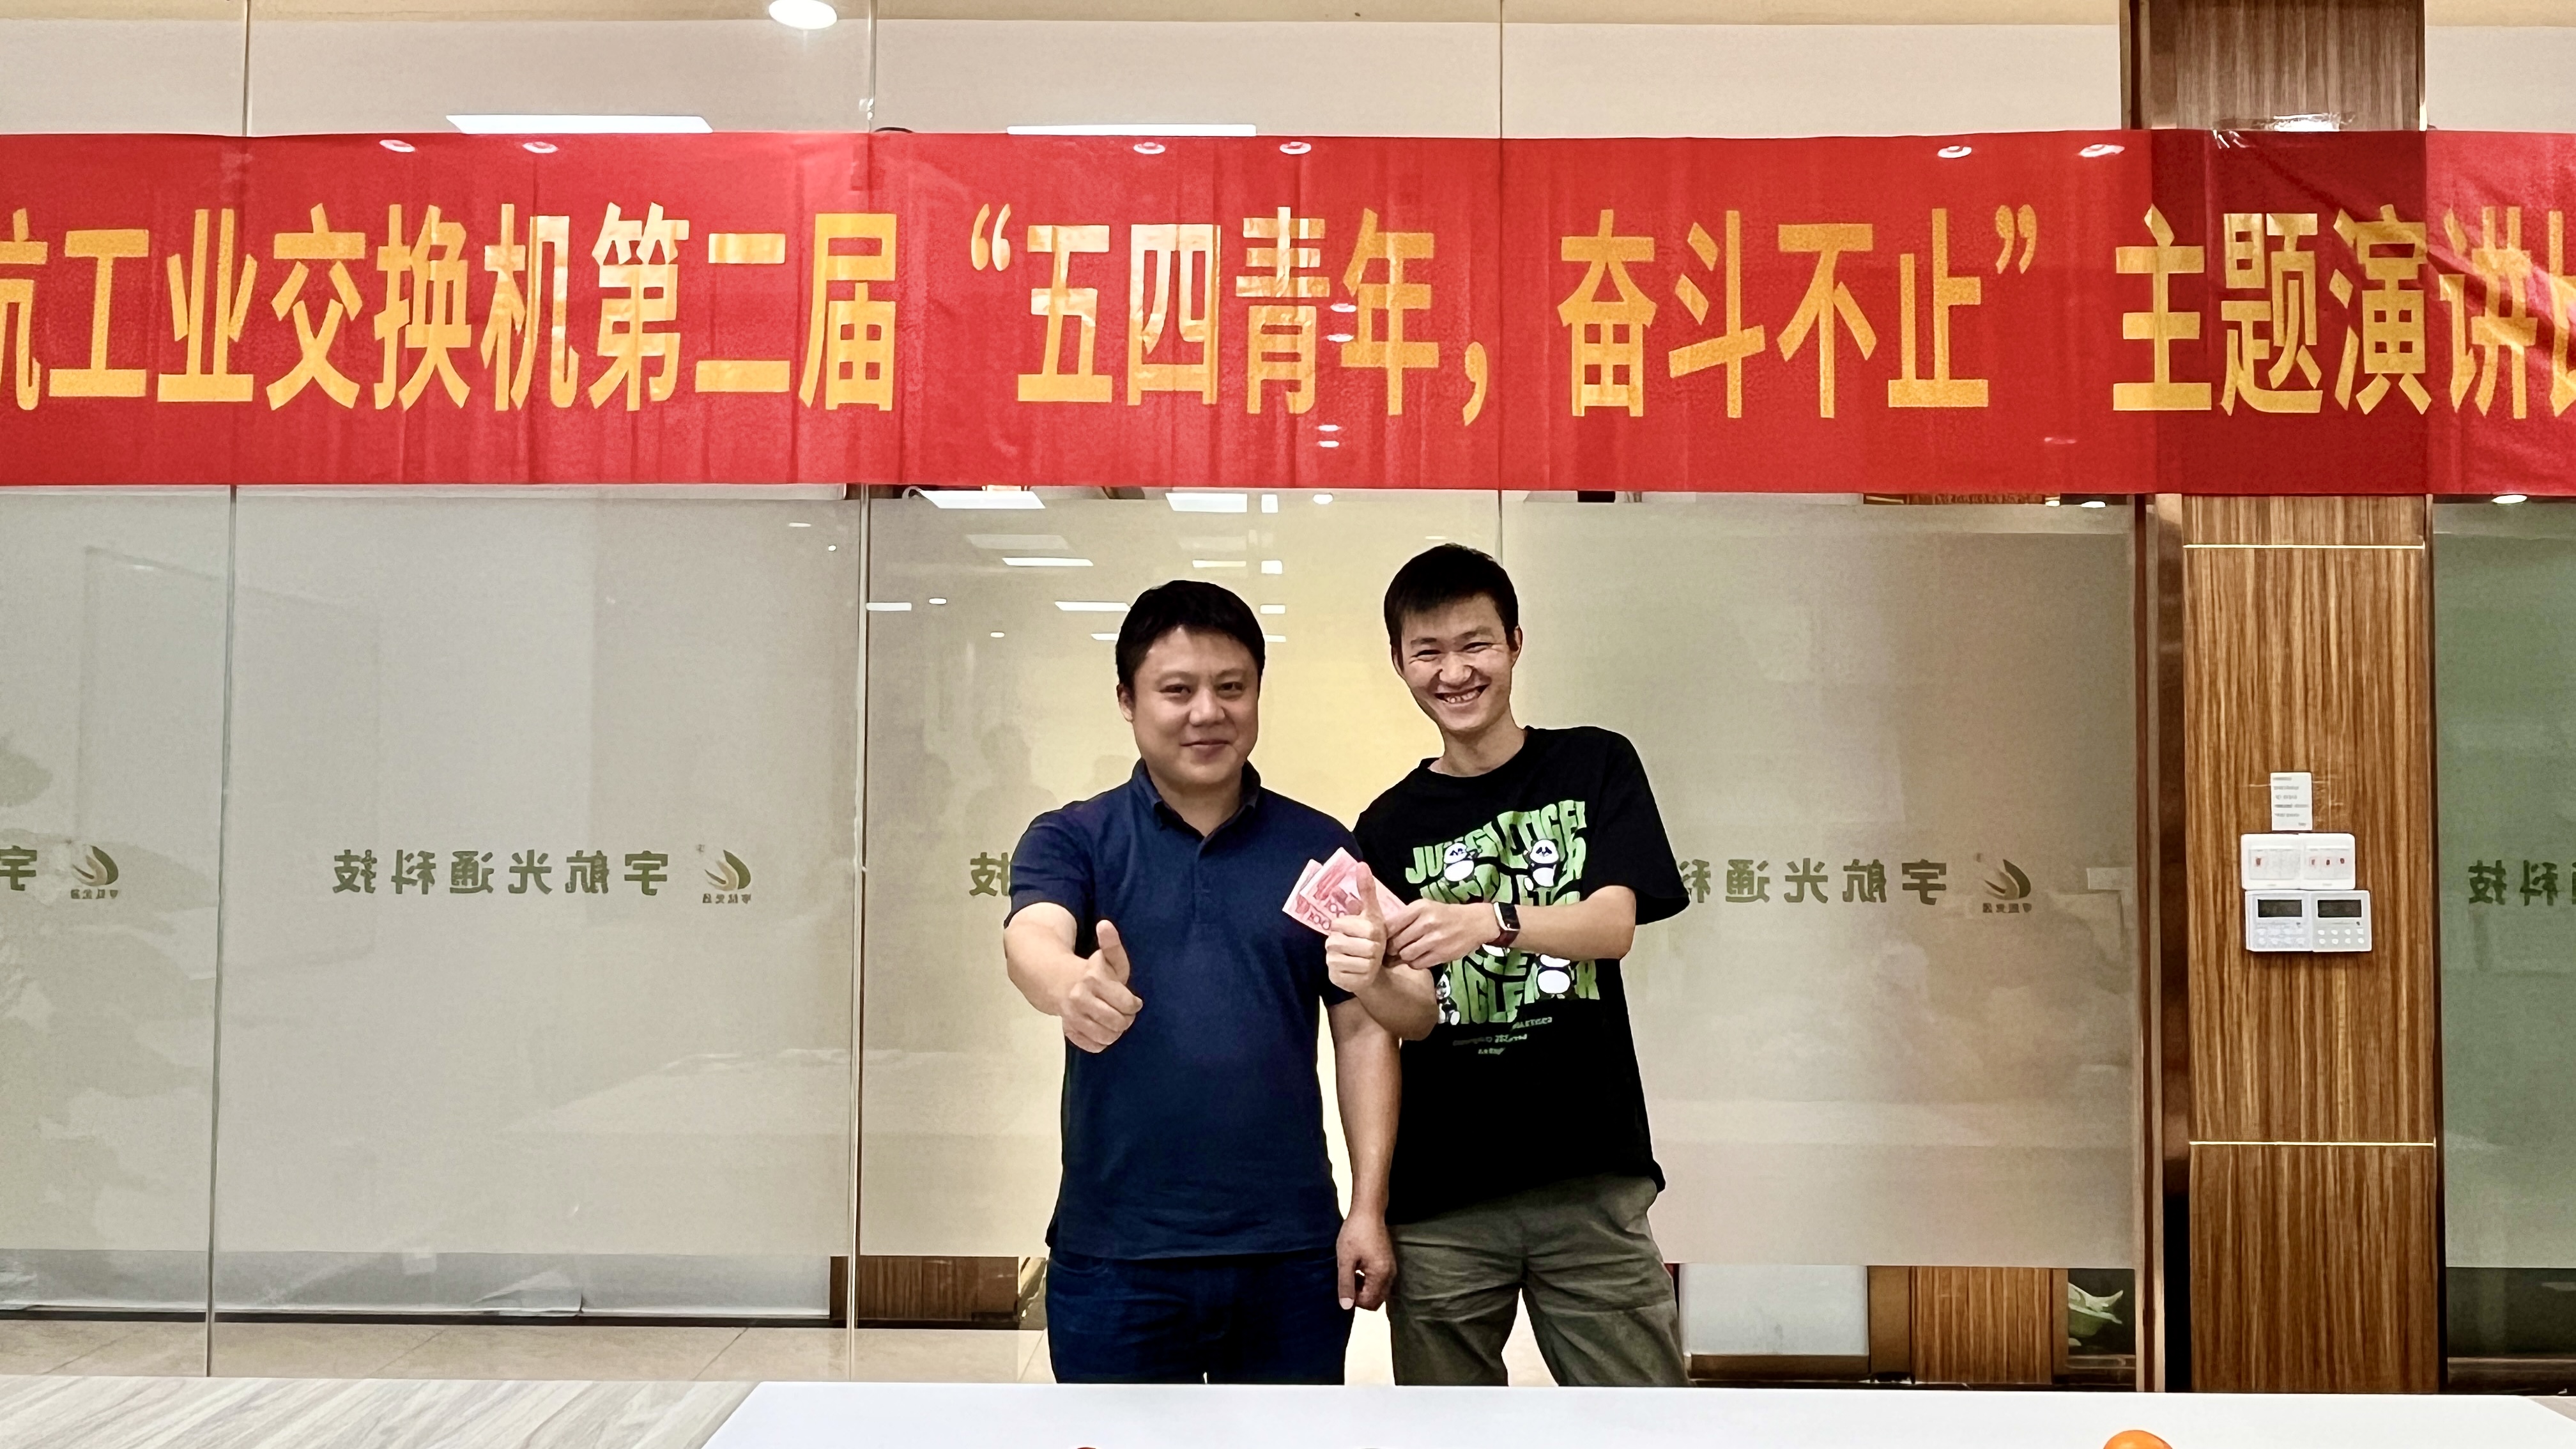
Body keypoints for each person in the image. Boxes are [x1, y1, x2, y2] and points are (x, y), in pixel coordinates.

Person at [1002, 578, 1411, 1384]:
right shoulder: (1074, 837)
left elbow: (1364, 1030)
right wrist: (1070, 984)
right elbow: (1031, 938)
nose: (1207, 712)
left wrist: (1368, 1207)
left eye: (1231, 688)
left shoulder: (1317, 846)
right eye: (1177, 690)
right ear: (1127, 700)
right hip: (1116, 1256)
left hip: (1288, 1255)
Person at [1352, 543, 1692, 1388]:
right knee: (1448, 1437)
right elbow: (1410, 1016)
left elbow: (1613, 925)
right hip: (1442, 1196)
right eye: (1428, 652)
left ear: (1514, 644)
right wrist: (1367, 976)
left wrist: (1490, 921)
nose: (1454, 672)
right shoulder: (1386, 826)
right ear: (1399, 663)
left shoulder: (1594, 763)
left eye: (1476, 644)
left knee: (1643, 1427)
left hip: (1589, 1176)